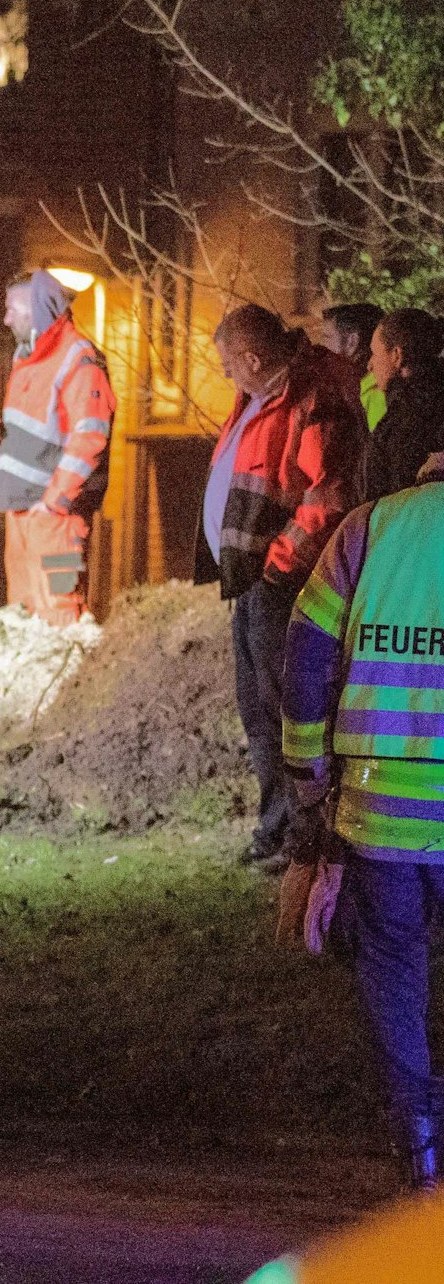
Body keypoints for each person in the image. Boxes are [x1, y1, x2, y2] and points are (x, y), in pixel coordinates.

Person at [280, 449, 444, 1190]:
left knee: (393, 965)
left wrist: (307, 775)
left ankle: (418, 1142)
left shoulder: (369, 528)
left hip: (379, 807)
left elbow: (305, 653)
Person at [206, 304, 363, 870]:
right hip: (255, 580)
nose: (224, 373)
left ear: (252, 357)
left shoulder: (308, 394)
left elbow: (328, 492)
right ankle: (277, 827)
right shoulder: (263, 393)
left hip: (282, 582)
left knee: (286, 709)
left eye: (228, 362)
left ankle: (305, 836)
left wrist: (279, 563)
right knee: (258, 710)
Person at [0, 270, 115, 627]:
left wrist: (54, 503)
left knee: (61, 609)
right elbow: (44, 433)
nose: (5, 319)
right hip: (27, 510)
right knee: (23, 615)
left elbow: (90, 437)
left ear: (37, 309)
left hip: (57, 518)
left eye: (11, 309)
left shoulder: (78, 358)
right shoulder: (29, 359)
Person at [362, 307, 444, 503]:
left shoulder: (408, 422)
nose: (370, 364)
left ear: (397, 355)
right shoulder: (415, 404)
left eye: (374, 352)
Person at [320, 300, 388, 430]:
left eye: (327, 337)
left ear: (352, 341)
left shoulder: (372, 391)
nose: (322, 345)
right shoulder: (362, 385)